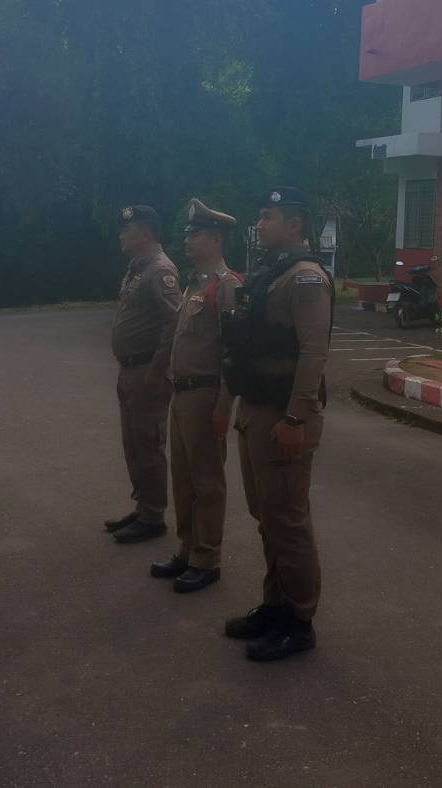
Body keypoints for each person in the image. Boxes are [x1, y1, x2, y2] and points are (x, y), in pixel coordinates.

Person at [220, 186, 333, 662]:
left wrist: (294, 417)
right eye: (260, 216)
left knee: (287, 519)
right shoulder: (271, 272)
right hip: (257, 410)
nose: (260, 224)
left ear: (294, 225)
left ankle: (299, 621)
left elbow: (313, 352)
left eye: (268, 216)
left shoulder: (305, 278)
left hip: (284, 415)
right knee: (267, 517)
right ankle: (275, 605)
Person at [149, 200, 241, 594]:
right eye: (187, 233)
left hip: (205, 396)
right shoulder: (193, 284)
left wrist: (224, 406)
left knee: (207, 481)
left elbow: (233, 353)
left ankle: (207, 557)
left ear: (216, 239)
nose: (187, 240)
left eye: (196, 234)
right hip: (182, 395)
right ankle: (187, 549)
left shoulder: (227, 286)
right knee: (183, 479)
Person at [105, 205, 181, 544]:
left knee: (148, 444)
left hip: (147, 371)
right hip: (130, 370)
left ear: (146, 234)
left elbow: (173, 323)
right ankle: (144, 505)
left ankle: (153, 516)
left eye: (128, 230)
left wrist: (157, 370)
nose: (121, 235)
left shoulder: (160, 270)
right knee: (134, 443)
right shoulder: (138, 268)